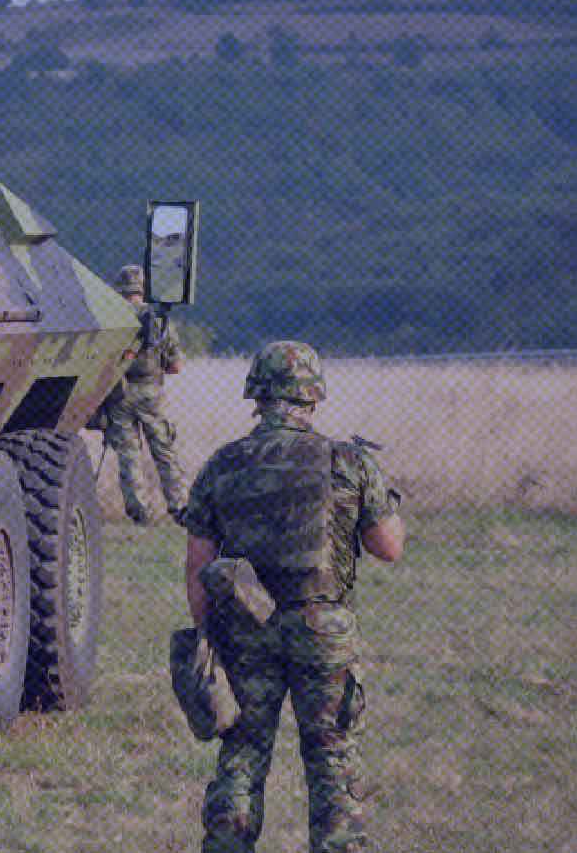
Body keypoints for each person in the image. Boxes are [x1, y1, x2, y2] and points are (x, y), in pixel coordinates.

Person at [178, 340, 407, 853]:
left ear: (256, 395)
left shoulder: (222, 464)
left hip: (245, 631)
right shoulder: (348, 461)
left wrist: (208, 639)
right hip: (323, 630)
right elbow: (389, 547)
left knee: (241, 753)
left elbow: (198, 564)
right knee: (330, 756)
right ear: (313, 397)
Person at [102, 264, 186, 524]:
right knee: (164, 452)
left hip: (119, 394)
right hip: (151, 395)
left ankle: (140, 513)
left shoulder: (111, 320)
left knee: (129, 456)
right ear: (143, 289)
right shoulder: (159, 320)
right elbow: (176, 366)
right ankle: (179, 507)